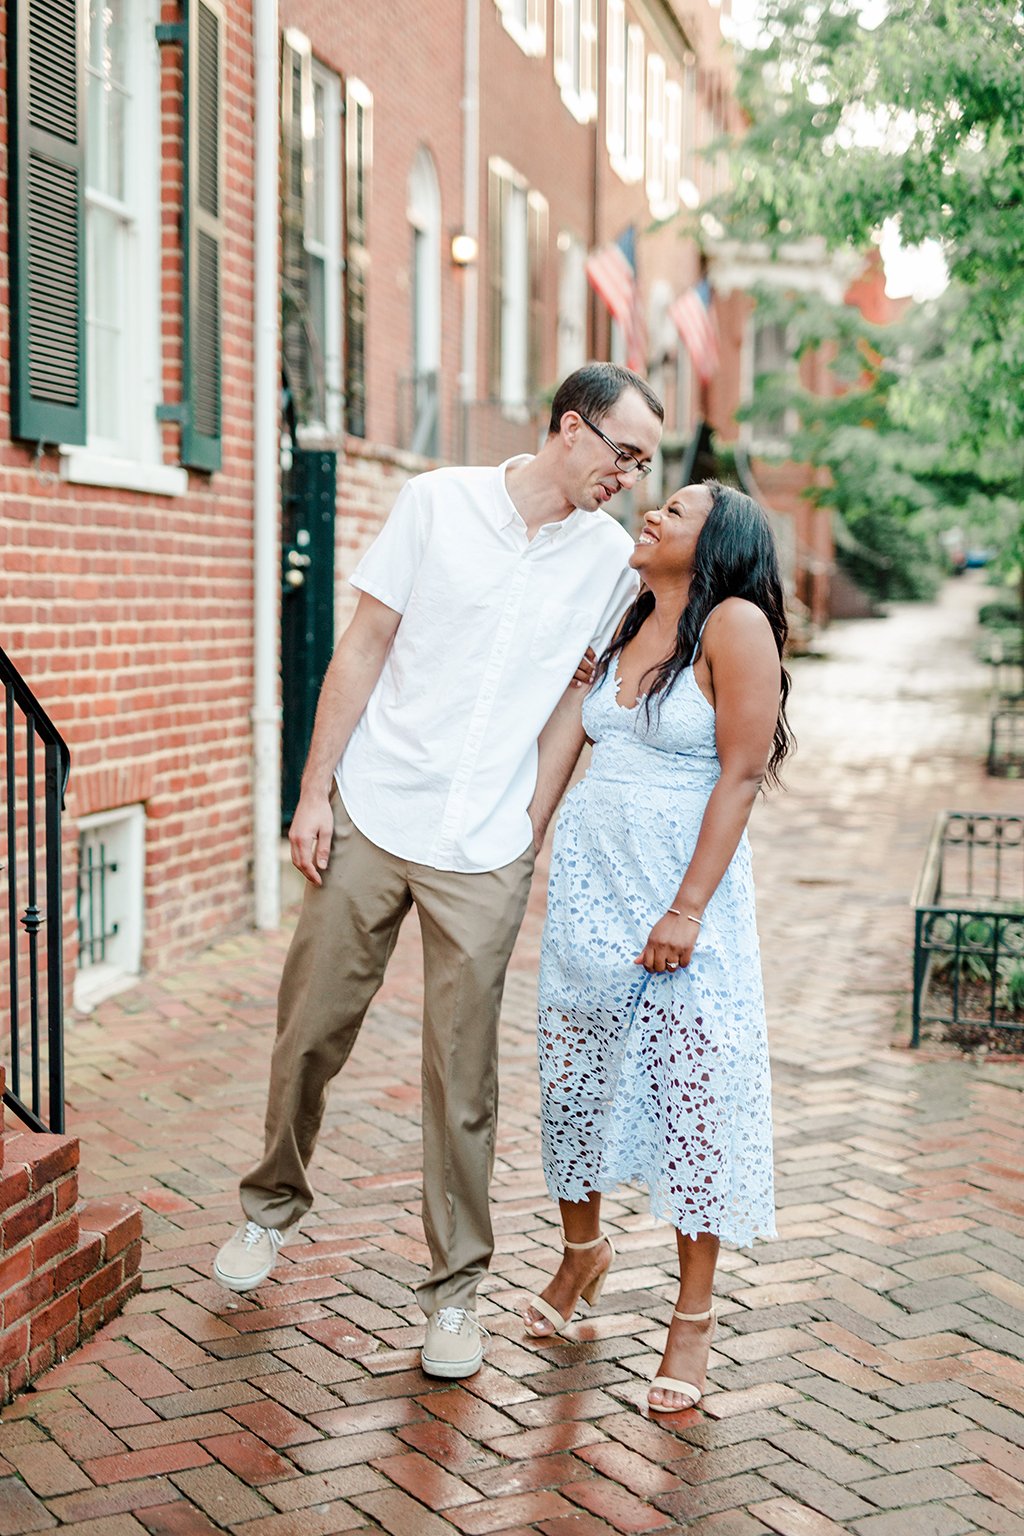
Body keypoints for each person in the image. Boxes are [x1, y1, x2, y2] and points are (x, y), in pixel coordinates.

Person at [213, 363, 664, 1381]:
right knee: (310, 1030)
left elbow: (569, 706)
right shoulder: (435, 503)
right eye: (621, 455)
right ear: (567, 429)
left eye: (643, 465)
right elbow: (364, 643)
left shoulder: (608, 564)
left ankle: (455, 1294)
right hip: (376, 805)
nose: (629, 481)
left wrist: (527, 831)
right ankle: (268, 1210)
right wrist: (315, 790)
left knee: (462, 1080)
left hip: (486, 845)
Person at [522, 480, 793, 1415]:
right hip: (590, 885)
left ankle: (693, 1316)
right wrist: (521, 838)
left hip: (684, 893)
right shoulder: (625, 610)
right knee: (575, 1082)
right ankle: (582, 1254)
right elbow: (571, 730)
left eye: (674, 511)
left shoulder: (735, 625)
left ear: (716, 541)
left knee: (693, 1097)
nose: (652, 514)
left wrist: (685, 910)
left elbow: (744, 770)